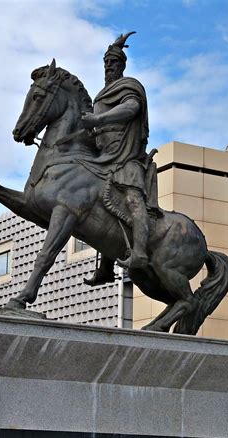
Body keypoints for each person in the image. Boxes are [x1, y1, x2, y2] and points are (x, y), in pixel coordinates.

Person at [82, 31, 151, 284]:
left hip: (126, 156)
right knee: (98, 206)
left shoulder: (129, 86)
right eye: (107, 63)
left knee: (133, 201)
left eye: (114, 63)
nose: (109, 67)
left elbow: (131, 108)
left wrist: (98, 119)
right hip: (102, 156)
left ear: (123, 65)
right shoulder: (100, 94)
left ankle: (141, 253)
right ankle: (106, 269)